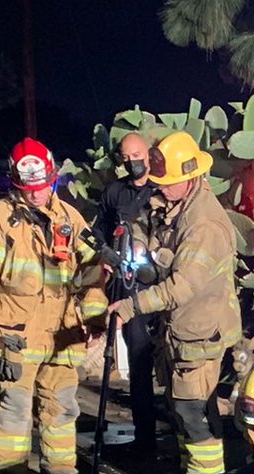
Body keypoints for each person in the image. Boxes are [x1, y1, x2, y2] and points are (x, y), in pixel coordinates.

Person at [0, 138, 106, 474]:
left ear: (52, 178)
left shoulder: (70, 218)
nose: (36, 193)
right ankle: (8, 473)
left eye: (42, 185)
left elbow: (92, 270)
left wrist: (95, 318)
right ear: (16, 183)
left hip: (62, 332)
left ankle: (60, 472)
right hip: (16, 331)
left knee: (61, 405)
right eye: (28, 188)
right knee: (15, 405)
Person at [109, 130, 240, 474]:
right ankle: (191, 473)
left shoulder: (204, 225)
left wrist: (131, 306)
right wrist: (139, 244)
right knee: (182, 408)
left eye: (168, 182)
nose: (161, 188)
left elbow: (182, 287)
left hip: (200, 332)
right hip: (182, 330)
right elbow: (147, 226)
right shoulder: (179, 205)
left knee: (194, 411)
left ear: (191, 177)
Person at [91, 131, 164, 451]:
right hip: (128, 286)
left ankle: (179, 432)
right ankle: (144, 438)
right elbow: (99, 231)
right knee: (137, 363)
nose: (132, 162)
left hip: (162, 286)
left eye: (137, 156)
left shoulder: (161, 189)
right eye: (126, 157)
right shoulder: (114, 193)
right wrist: (106, 254)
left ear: (148, 154)